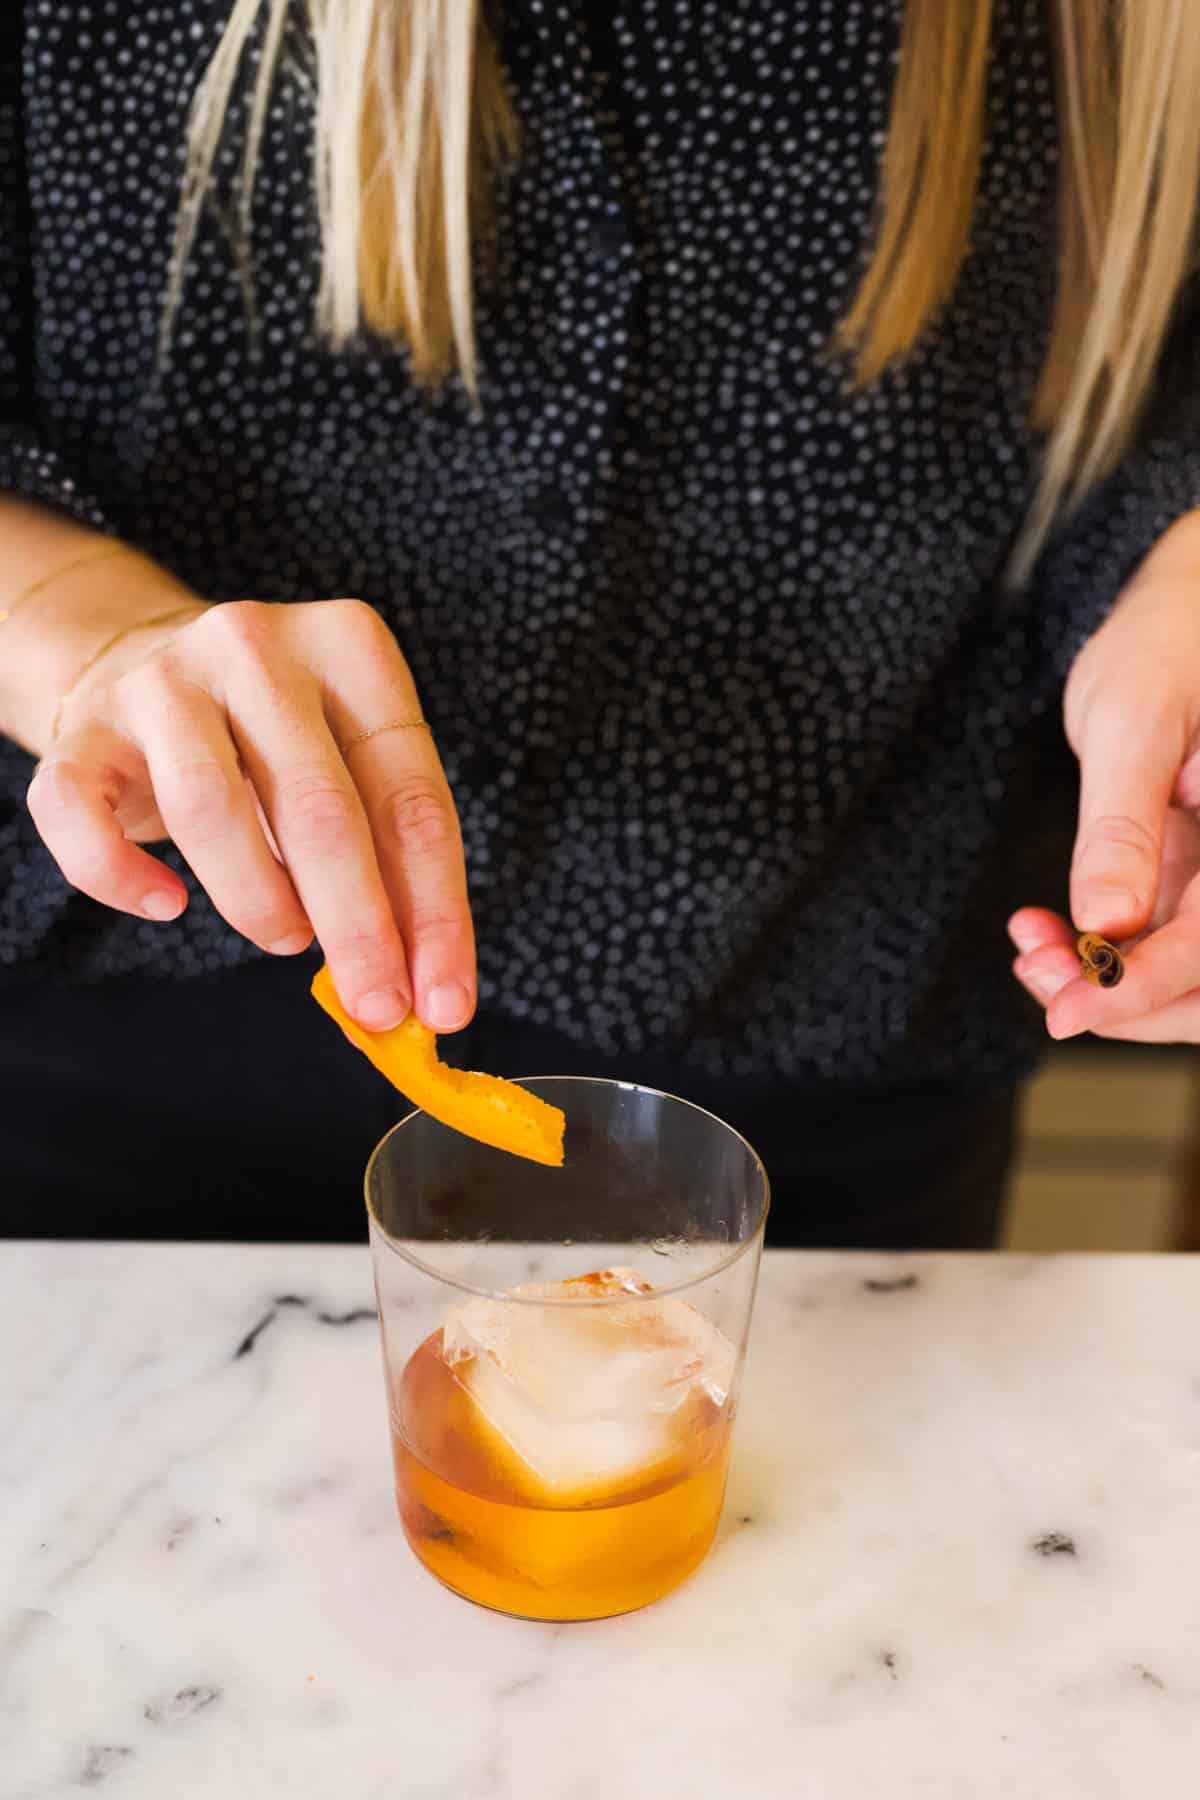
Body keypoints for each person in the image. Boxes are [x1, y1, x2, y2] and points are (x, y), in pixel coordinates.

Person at [3, 0, 1199, 1247]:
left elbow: (1171, 372)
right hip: (116, 1071)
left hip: (843, 1058)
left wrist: (1176, 568)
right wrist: (84, 640)